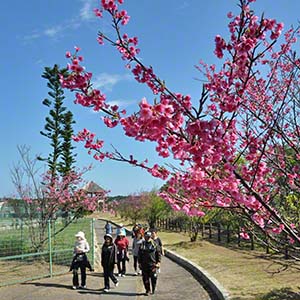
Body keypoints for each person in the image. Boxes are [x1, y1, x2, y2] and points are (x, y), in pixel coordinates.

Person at [138, 231, 161, 296]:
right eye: (146, 237)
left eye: (148, 237)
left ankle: (153, 289)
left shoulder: (155, 244)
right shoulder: (142, 245)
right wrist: (139, 263)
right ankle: (147, 290)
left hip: (153, 264)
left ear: (150, 237)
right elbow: (139, 254)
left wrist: (158, 262)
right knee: (145, 279)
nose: (147, 238)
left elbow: (158, 254)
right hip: (144, 265)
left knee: (154, 278)